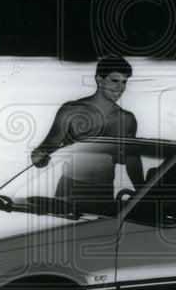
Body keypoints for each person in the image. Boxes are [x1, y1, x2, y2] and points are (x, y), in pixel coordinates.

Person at [30, 56, 143, 212]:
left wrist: (142, 192)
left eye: (124, 82)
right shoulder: (71, 110)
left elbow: (133, 160)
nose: (120, 88)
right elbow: (48, 146)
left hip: (103, 192)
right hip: (70, 188)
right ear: (99, 80)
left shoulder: (126, 119)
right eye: (114, 81)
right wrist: (38, 156)